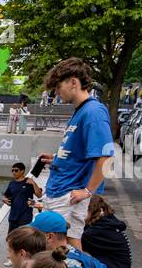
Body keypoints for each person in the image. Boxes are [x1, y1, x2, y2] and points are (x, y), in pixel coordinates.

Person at [37, 58, 115, 245]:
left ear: (73, 82)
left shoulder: (93, 112)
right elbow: (81, 153)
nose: (56, 92)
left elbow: (106, 156)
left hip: (68, 194)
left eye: (58, 86)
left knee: (59, 248)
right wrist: (57, 159)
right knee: (63, 247)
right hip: (60, 190)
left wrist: (87, 191)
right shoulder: (81, 111)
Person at [81, 196, 132, 268]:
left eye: (82, 210)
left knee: (74, 255)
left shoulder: (94, 232)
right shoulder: (107, 221)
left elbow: (74, 243)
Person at [2, 161, 42, 231]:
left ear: (22, 171)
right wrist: (4, 199)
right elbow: (5, 196)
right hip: (13, 217)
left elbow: (39, 195)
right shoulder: (12, 183)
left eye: (16, 170)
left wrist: (34, 183)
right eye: (12, 170)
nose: (14, 172)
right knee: (11, 239)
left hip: (25, 218)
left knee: (23, 240)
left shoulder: (29, 182)